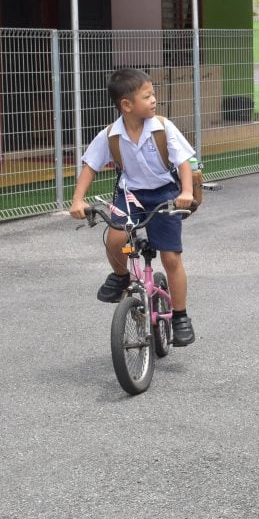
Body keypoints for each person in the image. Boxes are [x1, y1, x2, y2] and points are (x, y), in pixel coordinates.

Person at [69, 68, 198, 346]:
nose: (153, 100)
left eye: (153, 95)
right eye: (147, 96)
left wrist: (186, 192)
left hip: (165, 194)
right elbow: (90, 165)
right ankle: (120, 276)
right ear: (126, 105)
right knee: (115, 238)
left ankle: (180, 316)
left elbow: (183, 162)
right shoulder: (110, 135)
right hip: (130, 195)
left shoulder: (163, 127)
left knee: (171, 258)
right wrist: (78, 199)